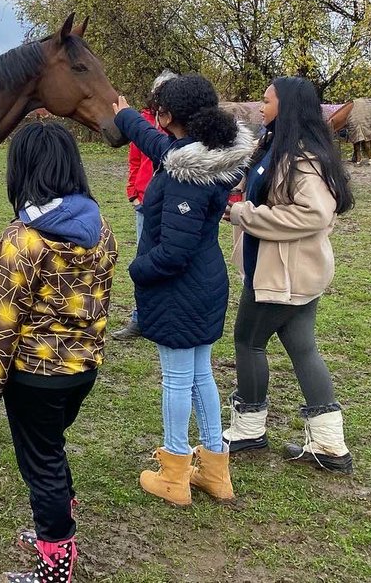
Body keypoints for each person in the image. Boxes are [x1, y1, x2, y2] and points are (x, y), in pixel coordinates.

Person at [0, 123, 118, 583]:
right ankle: (59, 526)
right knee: (50, 451)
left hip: (34, 375)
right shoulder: (100, 228)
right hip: (82, 370)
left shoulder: (22, 240)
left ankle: (56, 562)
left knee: (43, 467)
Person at [112, 74, 254, 506]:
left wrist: (139, 269)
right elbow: (159, 146)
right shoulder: (206, 154)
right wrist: (126, 116)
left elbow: (173, 251)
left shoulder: (182, 178)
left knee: (176, 379)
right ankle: (215, 470)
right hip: (207, 281)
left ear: (169, 115)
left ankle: (174, 471)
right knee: (200, 373)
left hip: (179, 286)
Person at [223, 77, 356, 473]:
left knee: (248, 341)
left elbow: (315, 213)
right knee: (301, 347)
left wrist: (247, 215)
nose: (261, 107)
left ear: (289, 106)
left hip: (285, 275)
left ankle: (248, 427)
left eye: (267, 100)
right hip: (286, 270)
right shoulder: (276, 147)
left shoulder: (302, 158)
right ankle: (330, 444)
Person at [113, 71, 176, 341]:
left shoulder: (180, 128)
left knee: (170, 258)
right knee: (144, 260)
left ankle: (167, 316)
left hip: (170, 203)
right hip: (144, 202)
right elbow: (135, 161)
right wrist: (133, 193)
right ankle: (141, 318)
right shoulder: (143, 122)